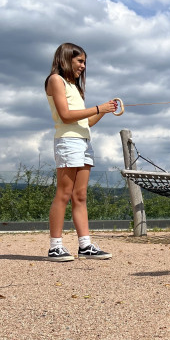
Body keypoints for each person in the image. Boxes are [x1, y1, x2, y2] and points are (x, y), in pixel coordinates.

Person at [45, 42, 117, 261]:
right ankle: (55, 247)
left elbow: (87, 122)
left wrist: (104, 111)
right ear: (66, 58)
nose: (83, 66)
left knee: (80, 195)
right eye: (80, 61)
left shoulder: (74, 86)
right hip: (68, 142)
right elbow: (66, 116)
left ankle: (85, 246)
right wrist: (98, 108)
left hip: (84, 142)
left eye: (85, 62)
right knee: (64, 193)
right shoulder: (55, 80)